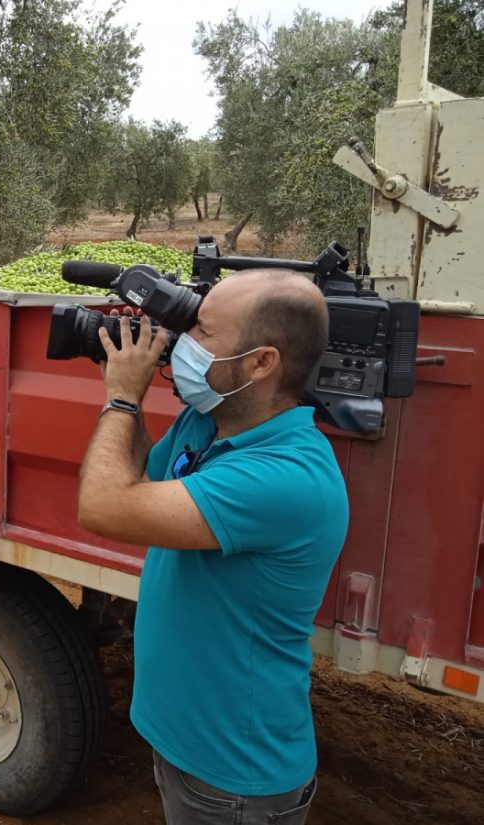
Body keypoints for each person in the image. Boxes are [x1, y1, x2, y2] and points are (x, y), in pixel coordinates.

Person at [77, 269, 348, 824]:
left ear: (261, 363)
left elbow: (103, 507)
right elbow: (140, 483)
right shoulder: (209, 424)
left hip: (233, 777)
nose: (181, 345)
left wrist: (123, 401)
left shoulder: (286, 476)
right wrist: (121, 389)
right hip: (183, 743)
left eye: (202, 333)